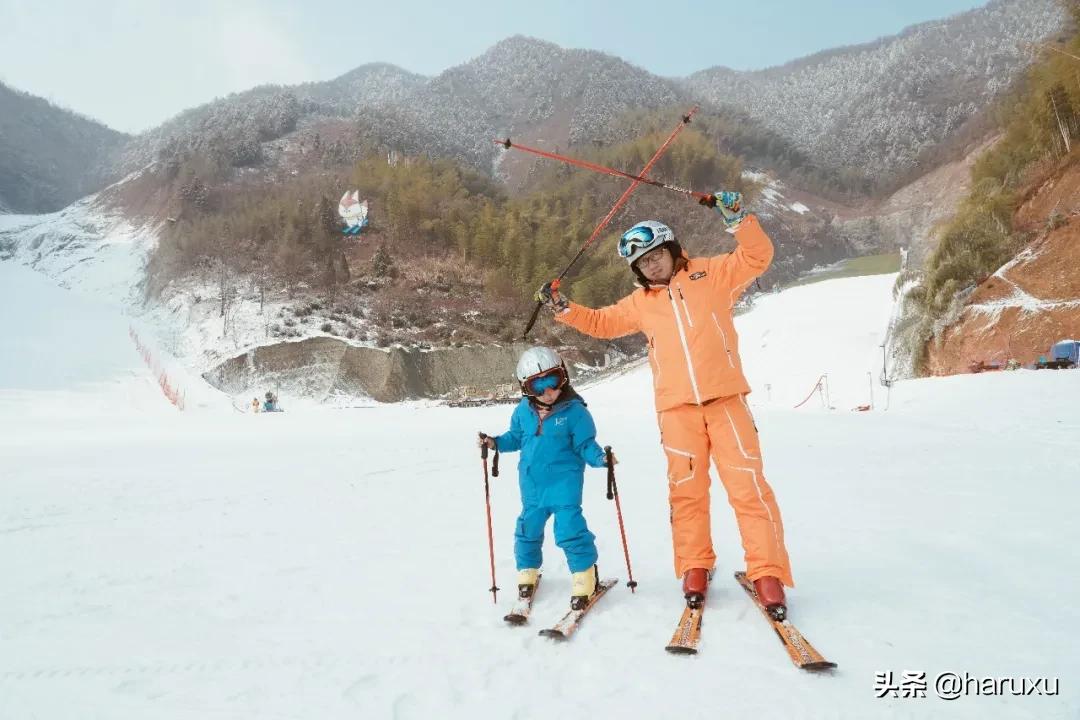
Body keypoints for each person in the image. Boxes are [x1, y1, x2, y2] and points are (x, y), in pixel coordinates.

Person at [535, 191, 793, 618]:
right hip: (676, 412)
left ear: (671, 249)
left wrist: (738, 219)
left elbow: (757, 256)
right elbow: (601, 322)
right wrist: (564, 308)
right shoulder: (641, 304)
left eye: (655, 254)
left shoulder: (712, 274)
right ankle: (694, 566)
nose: (650, 264)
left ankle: (767, 572)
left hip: (726, 401)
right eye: (641, 262)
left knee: (749, 490)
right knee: (687, 495)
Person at [478, 346, 613, 610]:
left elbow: (586, 444)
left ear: (563, 376)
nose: (548, 392)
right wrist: (494, 443)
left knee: (569, 529)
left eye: (552, 382)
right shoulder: (522, 411)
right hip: (532, 484)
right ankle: (527, 571)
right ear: (525, 389)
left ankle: (585, 575)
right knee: (527, 528)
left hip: (564, 483)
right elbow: (515, 438)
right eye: (537, 386)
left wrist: (601, 459)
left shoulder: (576, 412)